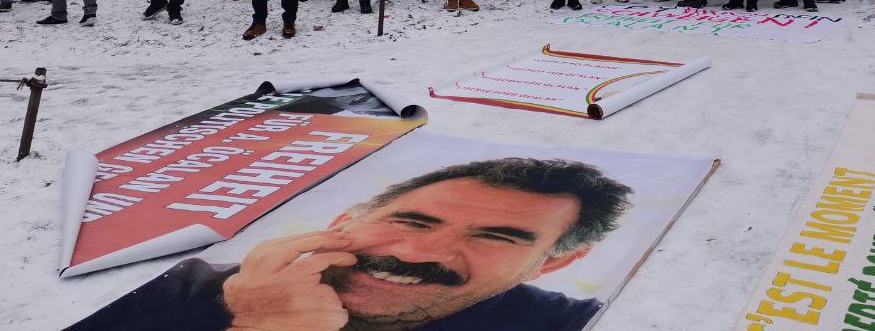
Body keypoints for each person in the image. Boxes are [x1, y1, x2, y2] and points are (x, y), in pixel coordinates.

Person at [65, 157, 633, 331]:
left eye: (495, 237)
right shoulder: (175, 291)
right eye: (411, 222)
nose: (415, 254)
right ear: (344, 219)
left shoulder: (572, 323)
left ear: (552, 263)